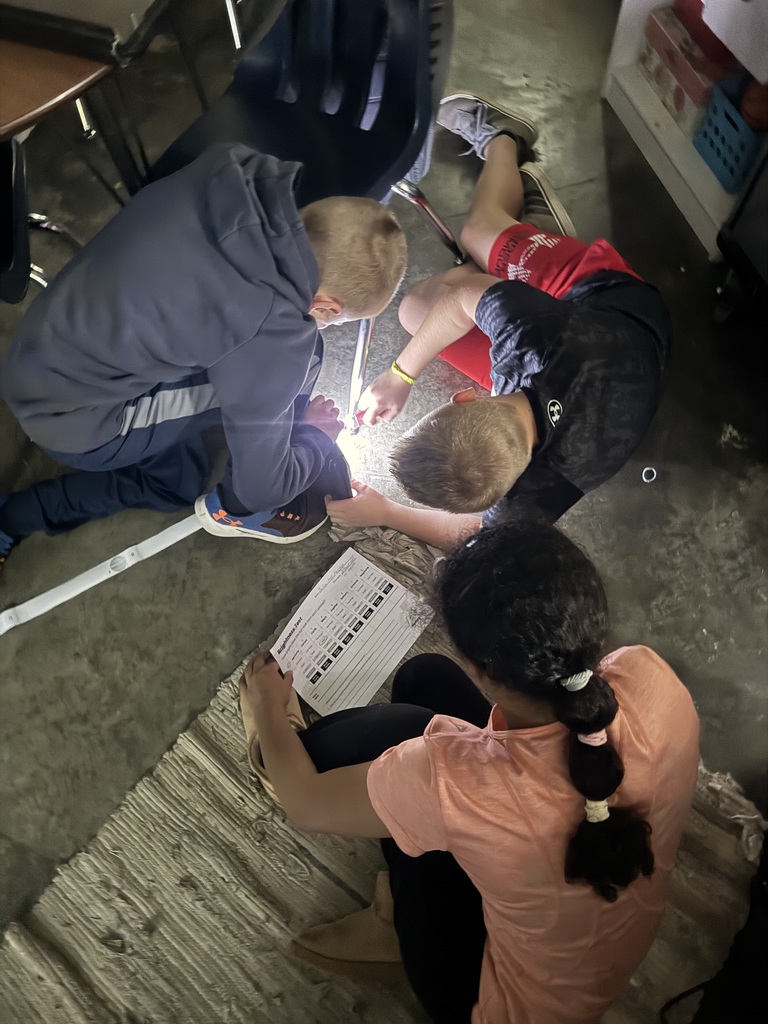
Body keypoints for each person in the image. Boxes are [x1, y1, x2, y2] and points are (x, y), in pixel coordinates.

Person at [239, 521, 699, 1023]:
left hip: (493, 1004)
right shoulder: (647, 673)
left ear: (482, 671)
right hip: (599, 935)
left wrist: (266, 705)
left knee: (366, 748)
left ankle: (396, 926)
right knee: (424, 678)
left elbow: (307, 805)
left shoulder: (454, 784)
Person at [0, 144, 407, 567]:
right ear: (327, 306)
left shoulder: (234, 167)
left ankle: (264, 432)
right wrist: (316, 439)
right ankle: (15, 516)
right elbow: (263, 489)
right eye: (332, 320)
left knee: (274, 368)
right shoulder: (271, 331)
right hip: (75, 422)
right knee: (180, 478)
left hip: (37, 344)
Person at [326, 95, 671, 551]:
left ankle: (505, 137)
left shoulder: (533, 481)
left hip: (594, 310)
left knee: (425, 299)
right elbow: (465, 297)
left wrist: (387, 512)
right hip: (619, 314)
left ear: (470, 393)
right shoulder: (534, 341)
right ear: (466, 397)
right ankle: (521, 246)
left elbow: (473, 535)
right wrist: (399, 375)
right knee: (453, 275)